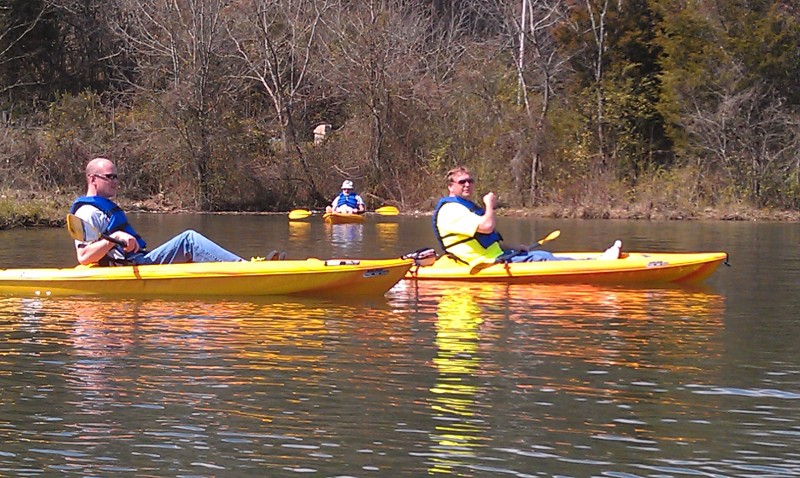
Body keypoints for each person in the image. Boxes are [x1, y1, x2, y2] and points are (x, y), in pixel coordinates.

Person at [432, 166, 621, 268]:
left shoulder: (463, 208)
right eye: (462, 182)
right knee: (543, 260)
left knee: (543, 255)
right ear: (451, 186)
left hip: (496, 256)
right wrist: (490, 205)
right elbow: (487, 227)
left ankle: (596, 261)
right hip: (485, 264)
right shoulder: (451, 210)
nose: (467, 185)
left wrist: (516, 247)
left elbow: (485, 241)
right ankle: (599, 264)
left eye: (470, 181)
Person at [71, 157, 248, 266]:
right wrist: (116, 238)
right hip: (129, 265)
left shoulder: (101, 209)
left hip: (137, 260)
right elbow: (84, 257)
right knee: (188, 241)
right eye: (110, 177)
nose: (116, 182)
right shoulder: (87, 212)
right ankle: (244, 269)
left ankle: (237, 266)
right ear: (93, 179)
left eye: (116, 177)